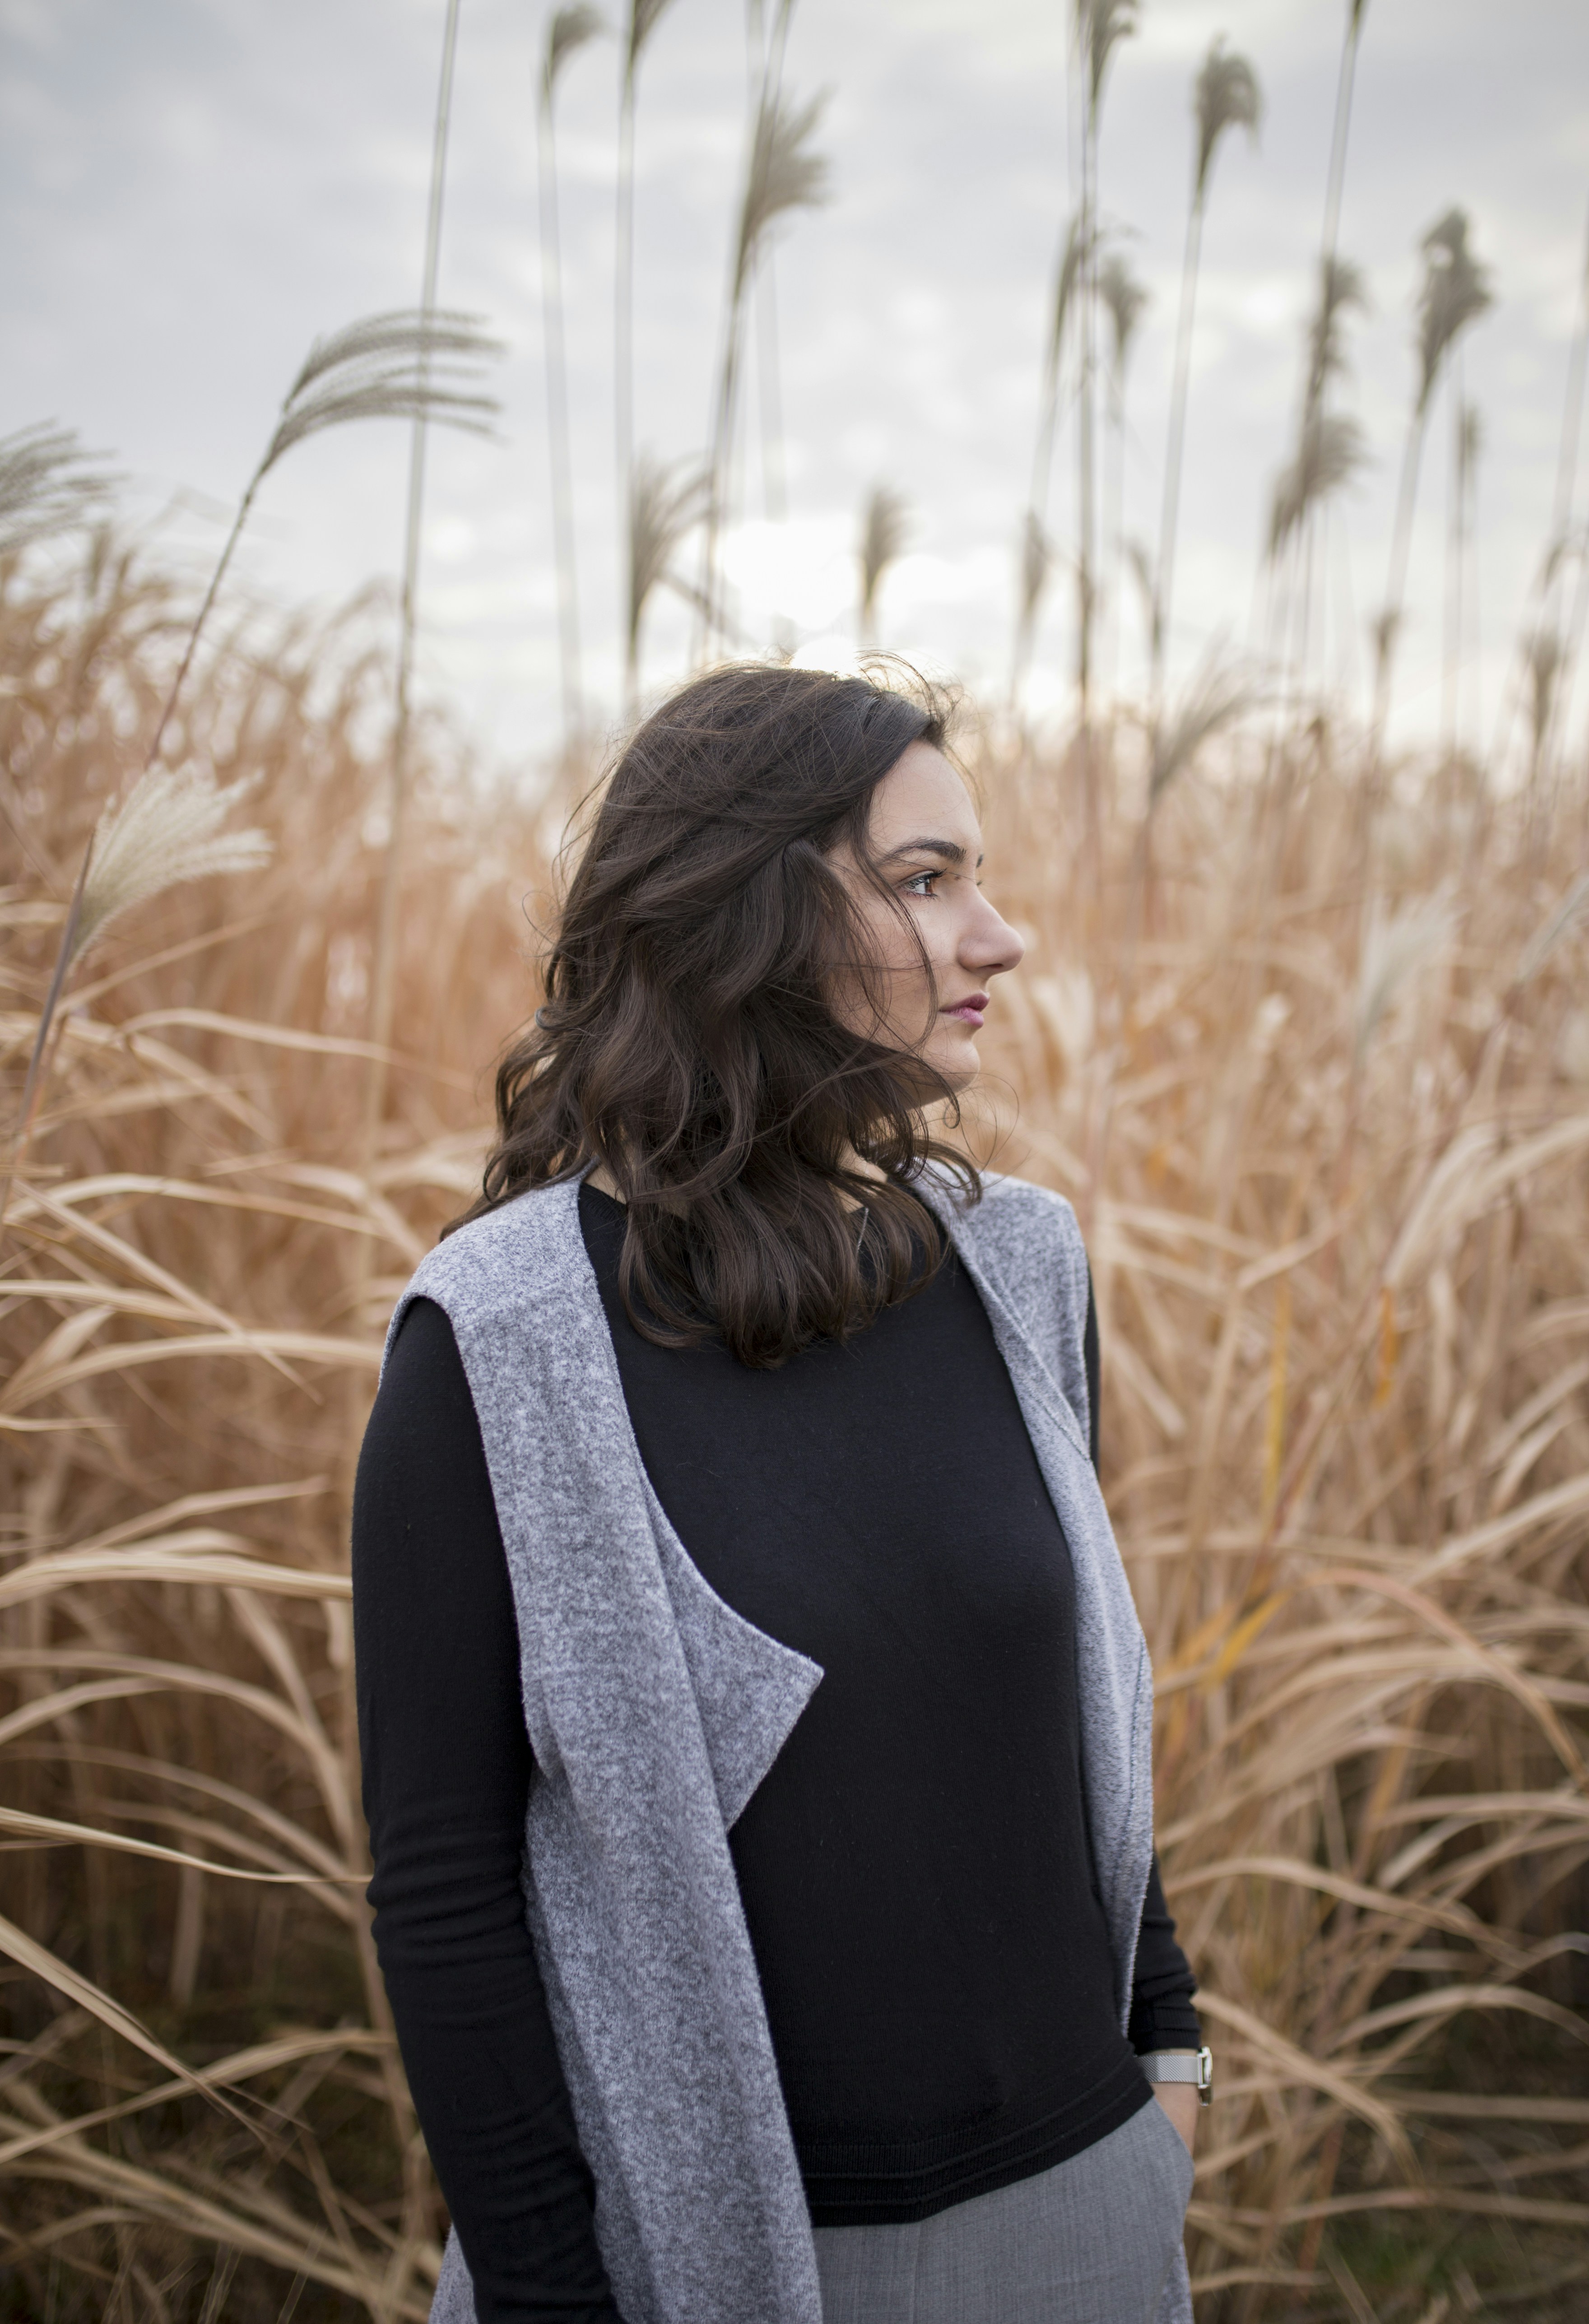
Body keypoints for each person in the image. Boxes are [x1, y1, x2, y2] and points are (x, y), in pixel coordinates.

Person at [352, 660, 1208, 2324]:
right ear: (745, 914)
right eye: (924, 880)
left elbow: (1069, 1708)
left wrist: (1165, 2056)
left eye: (977, 877)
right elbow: (443, 1884)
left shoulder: (1018, 1265)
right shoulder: (503, 1338)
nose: (999, 935)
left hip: (1088, 2217)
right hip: (712, 2267)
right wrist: (549, 2299)